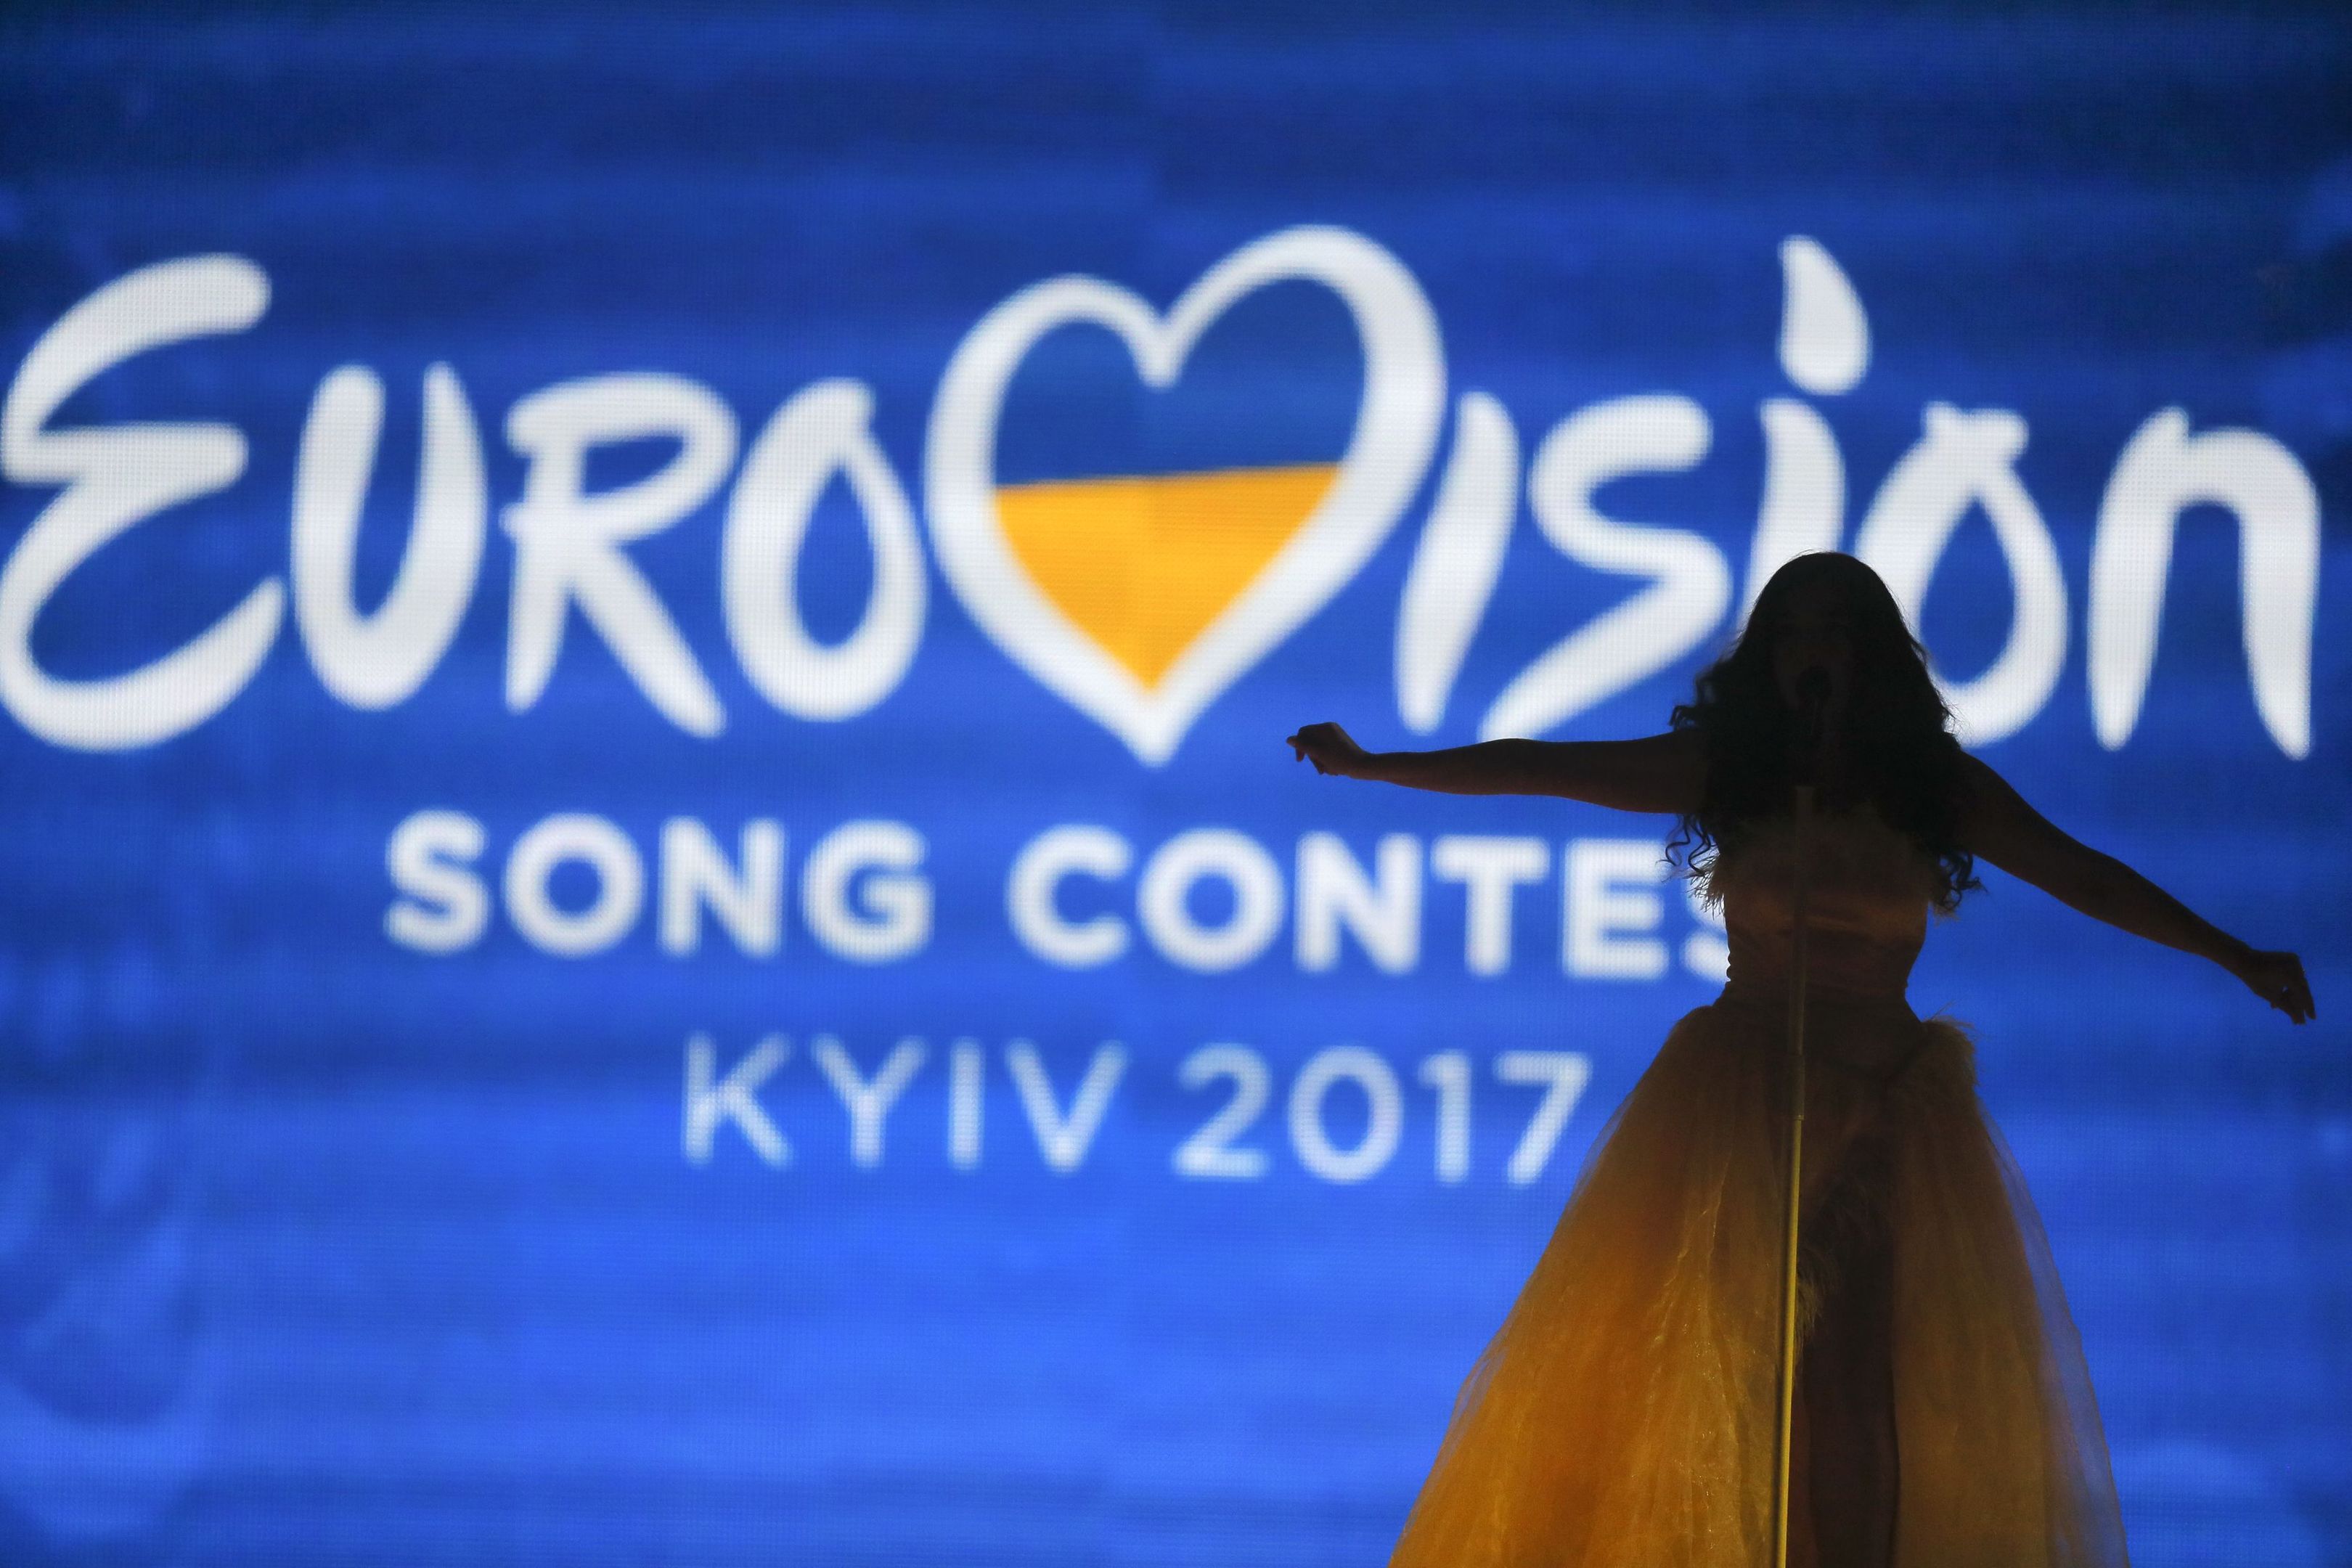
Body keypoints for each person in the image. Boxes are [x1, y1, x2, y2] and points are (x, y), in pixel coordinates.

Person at [1286, 552, 2312, 1568]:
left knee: (1852, 1372)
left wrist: (2233, 952)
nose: (1812, 651)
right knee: (1708, 1359)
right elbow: (1539, 767)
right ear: (1767, 655)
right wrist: (1379, 764)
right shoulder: (1733, 773)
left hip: (1881, 1106)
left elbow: (2083, 874)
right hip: (1740, 1097)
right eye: (1792, 630)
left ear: (1873, 659)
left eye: (1836, 631)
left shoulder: (1931, 789)